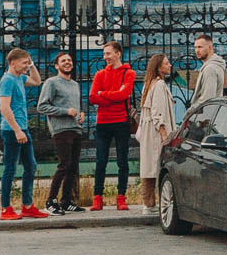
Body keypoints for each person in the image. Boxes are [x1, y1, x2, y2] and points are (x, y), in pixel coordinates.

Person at [0, 48, 48, 221]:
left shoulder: (19, 78)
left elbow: (37, 81)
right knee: (10, 169)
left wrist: (32, 64)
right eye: (24, 63)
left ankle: (27, 206)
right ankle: (5, 208)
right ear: (13, 63)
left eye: (28, 63)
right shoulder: (8, 80)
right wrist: (17, 130)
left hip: (22, 129)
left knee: (30, 165)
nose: (27, 66)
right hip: (12, 131)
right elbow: (4, 107)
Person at [37, 51, 86, 215]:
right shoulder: (51, 83)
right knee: (64, 165)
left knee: (73, 166)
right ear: (57, 66)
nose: (67, 62)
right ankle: (51, 201)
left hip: (75, 129)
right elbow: (42, 106)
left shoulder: (75, 84)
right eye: (63, 60)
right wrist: (66, 111)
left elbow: (75, 107)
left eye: (69, 60)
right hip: (60, 129)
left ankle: (66, 201)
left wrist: (81, 114)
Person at [89, 40, 136, 211]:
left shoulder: (128, 73)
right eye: (104, 54)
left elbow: (124, 95)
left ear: (118, 53)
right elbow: (93, 97)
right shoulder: (100, 74)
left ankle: (121, 197)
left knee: (122, 161)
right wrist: (112, 96)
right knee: (101, 160)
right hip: (103, 123)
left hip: (121, 121)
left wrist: (104, 94)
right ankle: (97, 197)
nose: (105, 57)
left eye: (108, 54)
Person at [135, 54, 177, 210]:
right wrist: (165, 135)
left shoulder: (149, 83)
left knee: (149, 167)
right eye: (167, 63)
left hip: (149, 131)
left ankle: (148, 203)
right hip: (156, 133)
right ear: (159, 67)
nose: (170, 65)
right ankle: (155, 204)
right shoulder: (159, 85)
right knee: (157, 166)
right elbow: (158, 112)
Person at [192, 34, 226, 106]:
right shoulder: (216, 65)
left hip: (206, 114)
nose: (197, 51)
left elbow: (207, 99)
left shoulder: (210, 69)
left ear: (210, 47)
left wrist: (190, 112)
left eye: (200, 47)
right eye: (195, 47)